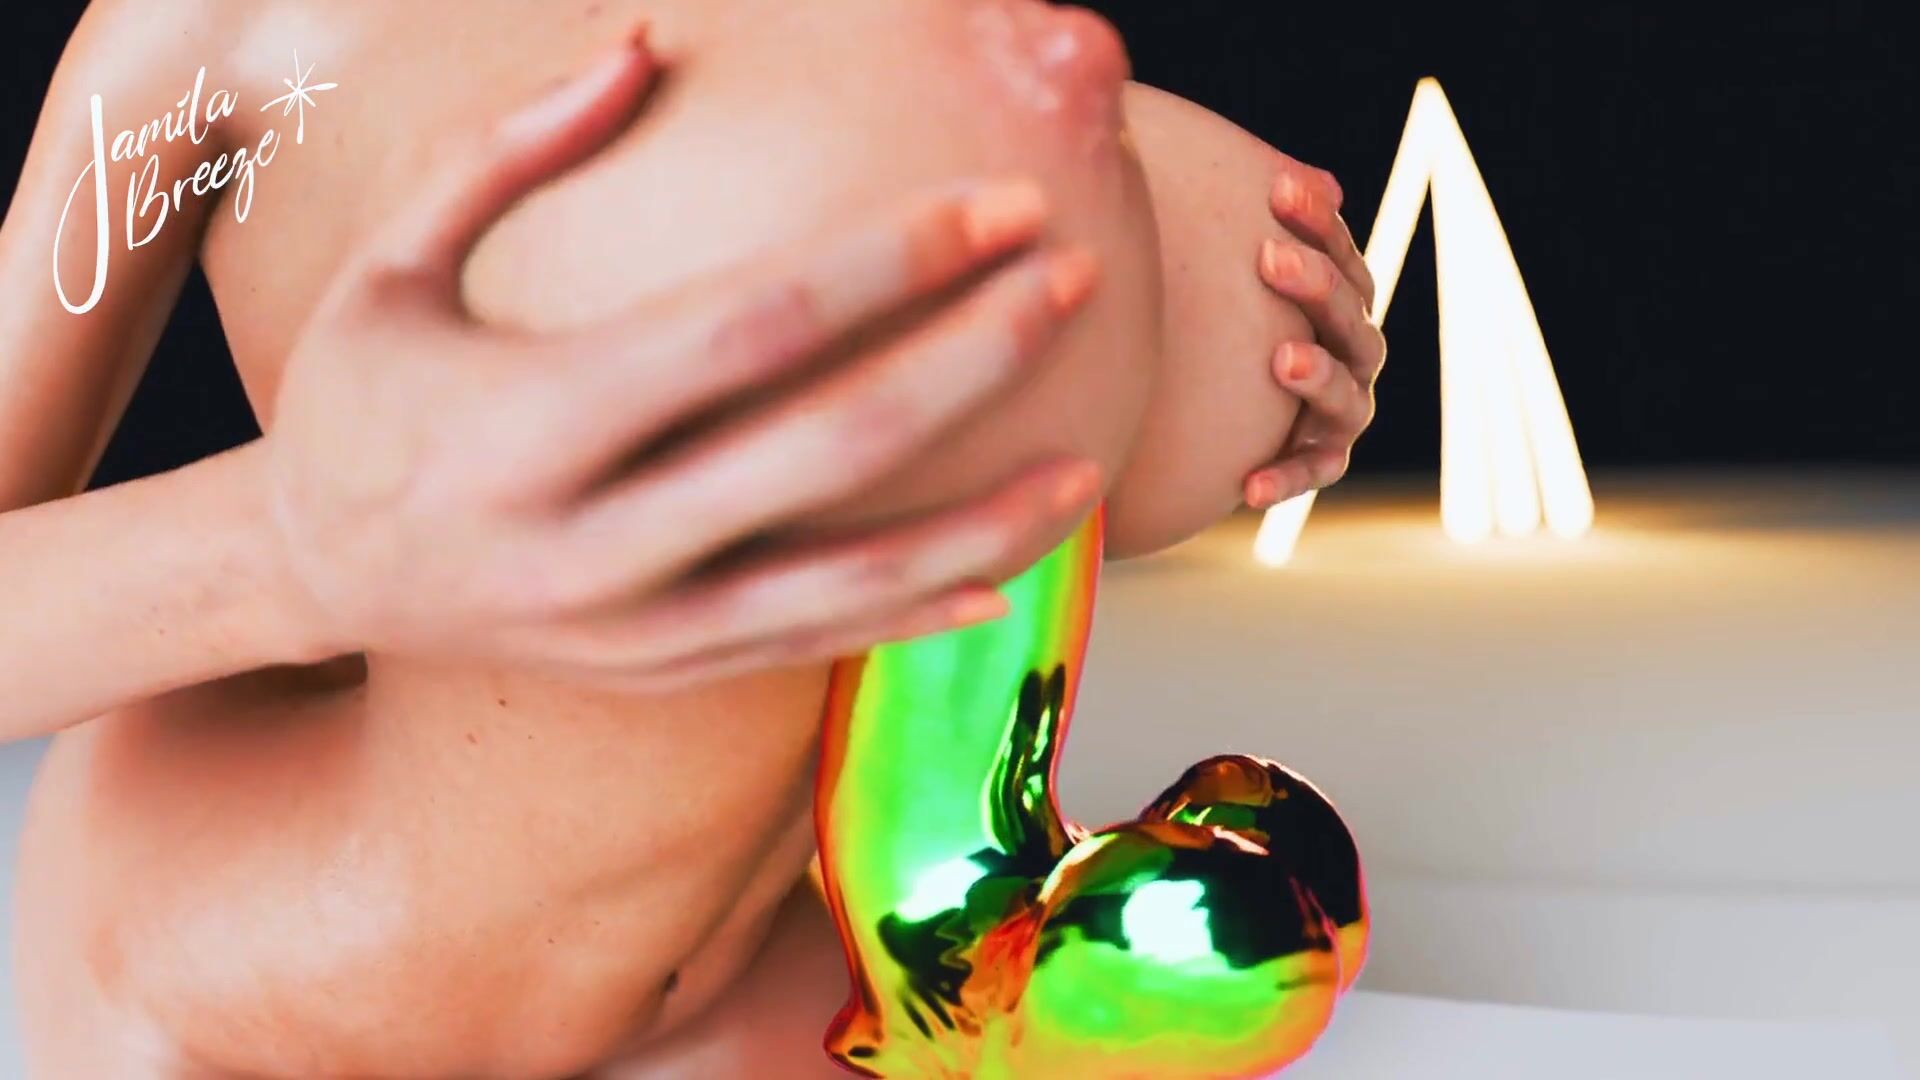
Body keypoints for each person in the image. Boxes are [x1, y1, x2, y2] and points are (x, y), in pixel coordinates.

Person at [0, 1, 1384, 1075]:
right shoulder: (218, 46)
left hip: (758, 967)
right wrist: (289, 545)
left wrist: (1212, 314)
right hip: (265, 959)